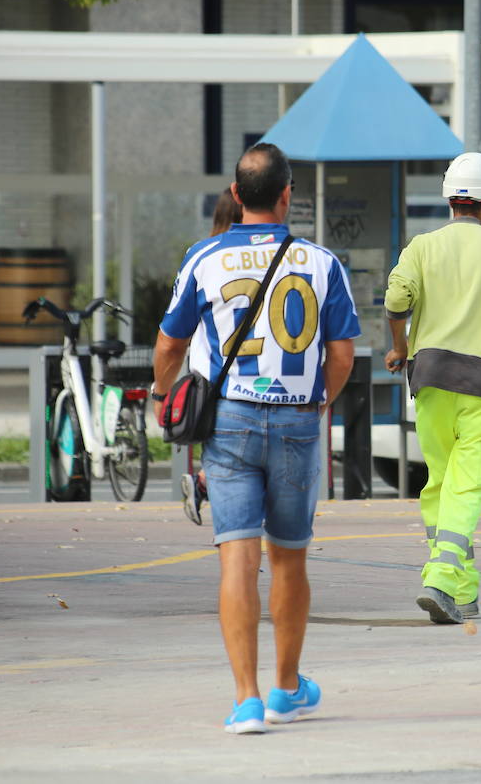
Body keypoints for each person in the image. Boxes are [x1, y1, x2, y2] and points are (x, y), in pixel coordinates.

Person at [153, 143, 360, 733]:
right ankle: (286, 688)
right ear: (289, 194)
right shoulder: (320, 262)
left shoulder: (204, 258)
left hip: (230, 421)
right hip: (297, 420)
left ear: (237, 196)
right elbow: (342, 354)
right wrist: (320, 399)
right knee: (289, 558)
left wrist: (168, 388)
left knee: (237, 561)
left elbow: (170, 345)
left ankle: (245, 700)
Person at [383, 152, 481, 624]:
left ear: (450, 198)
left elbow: (395, 299)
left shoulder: (422, 246)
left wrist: (400, 348)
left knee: (441, 483)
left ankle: (461, 590)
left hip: (427, 377)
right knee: (468, 487)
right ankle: (441, 580)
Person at [181, 187, 245, 526]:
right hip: (254, 372)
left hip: (211, 374)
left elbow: (179, 323)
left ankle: (207, 482)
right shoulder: (272, 256)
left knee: (226, 448)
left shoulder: (202, 255)